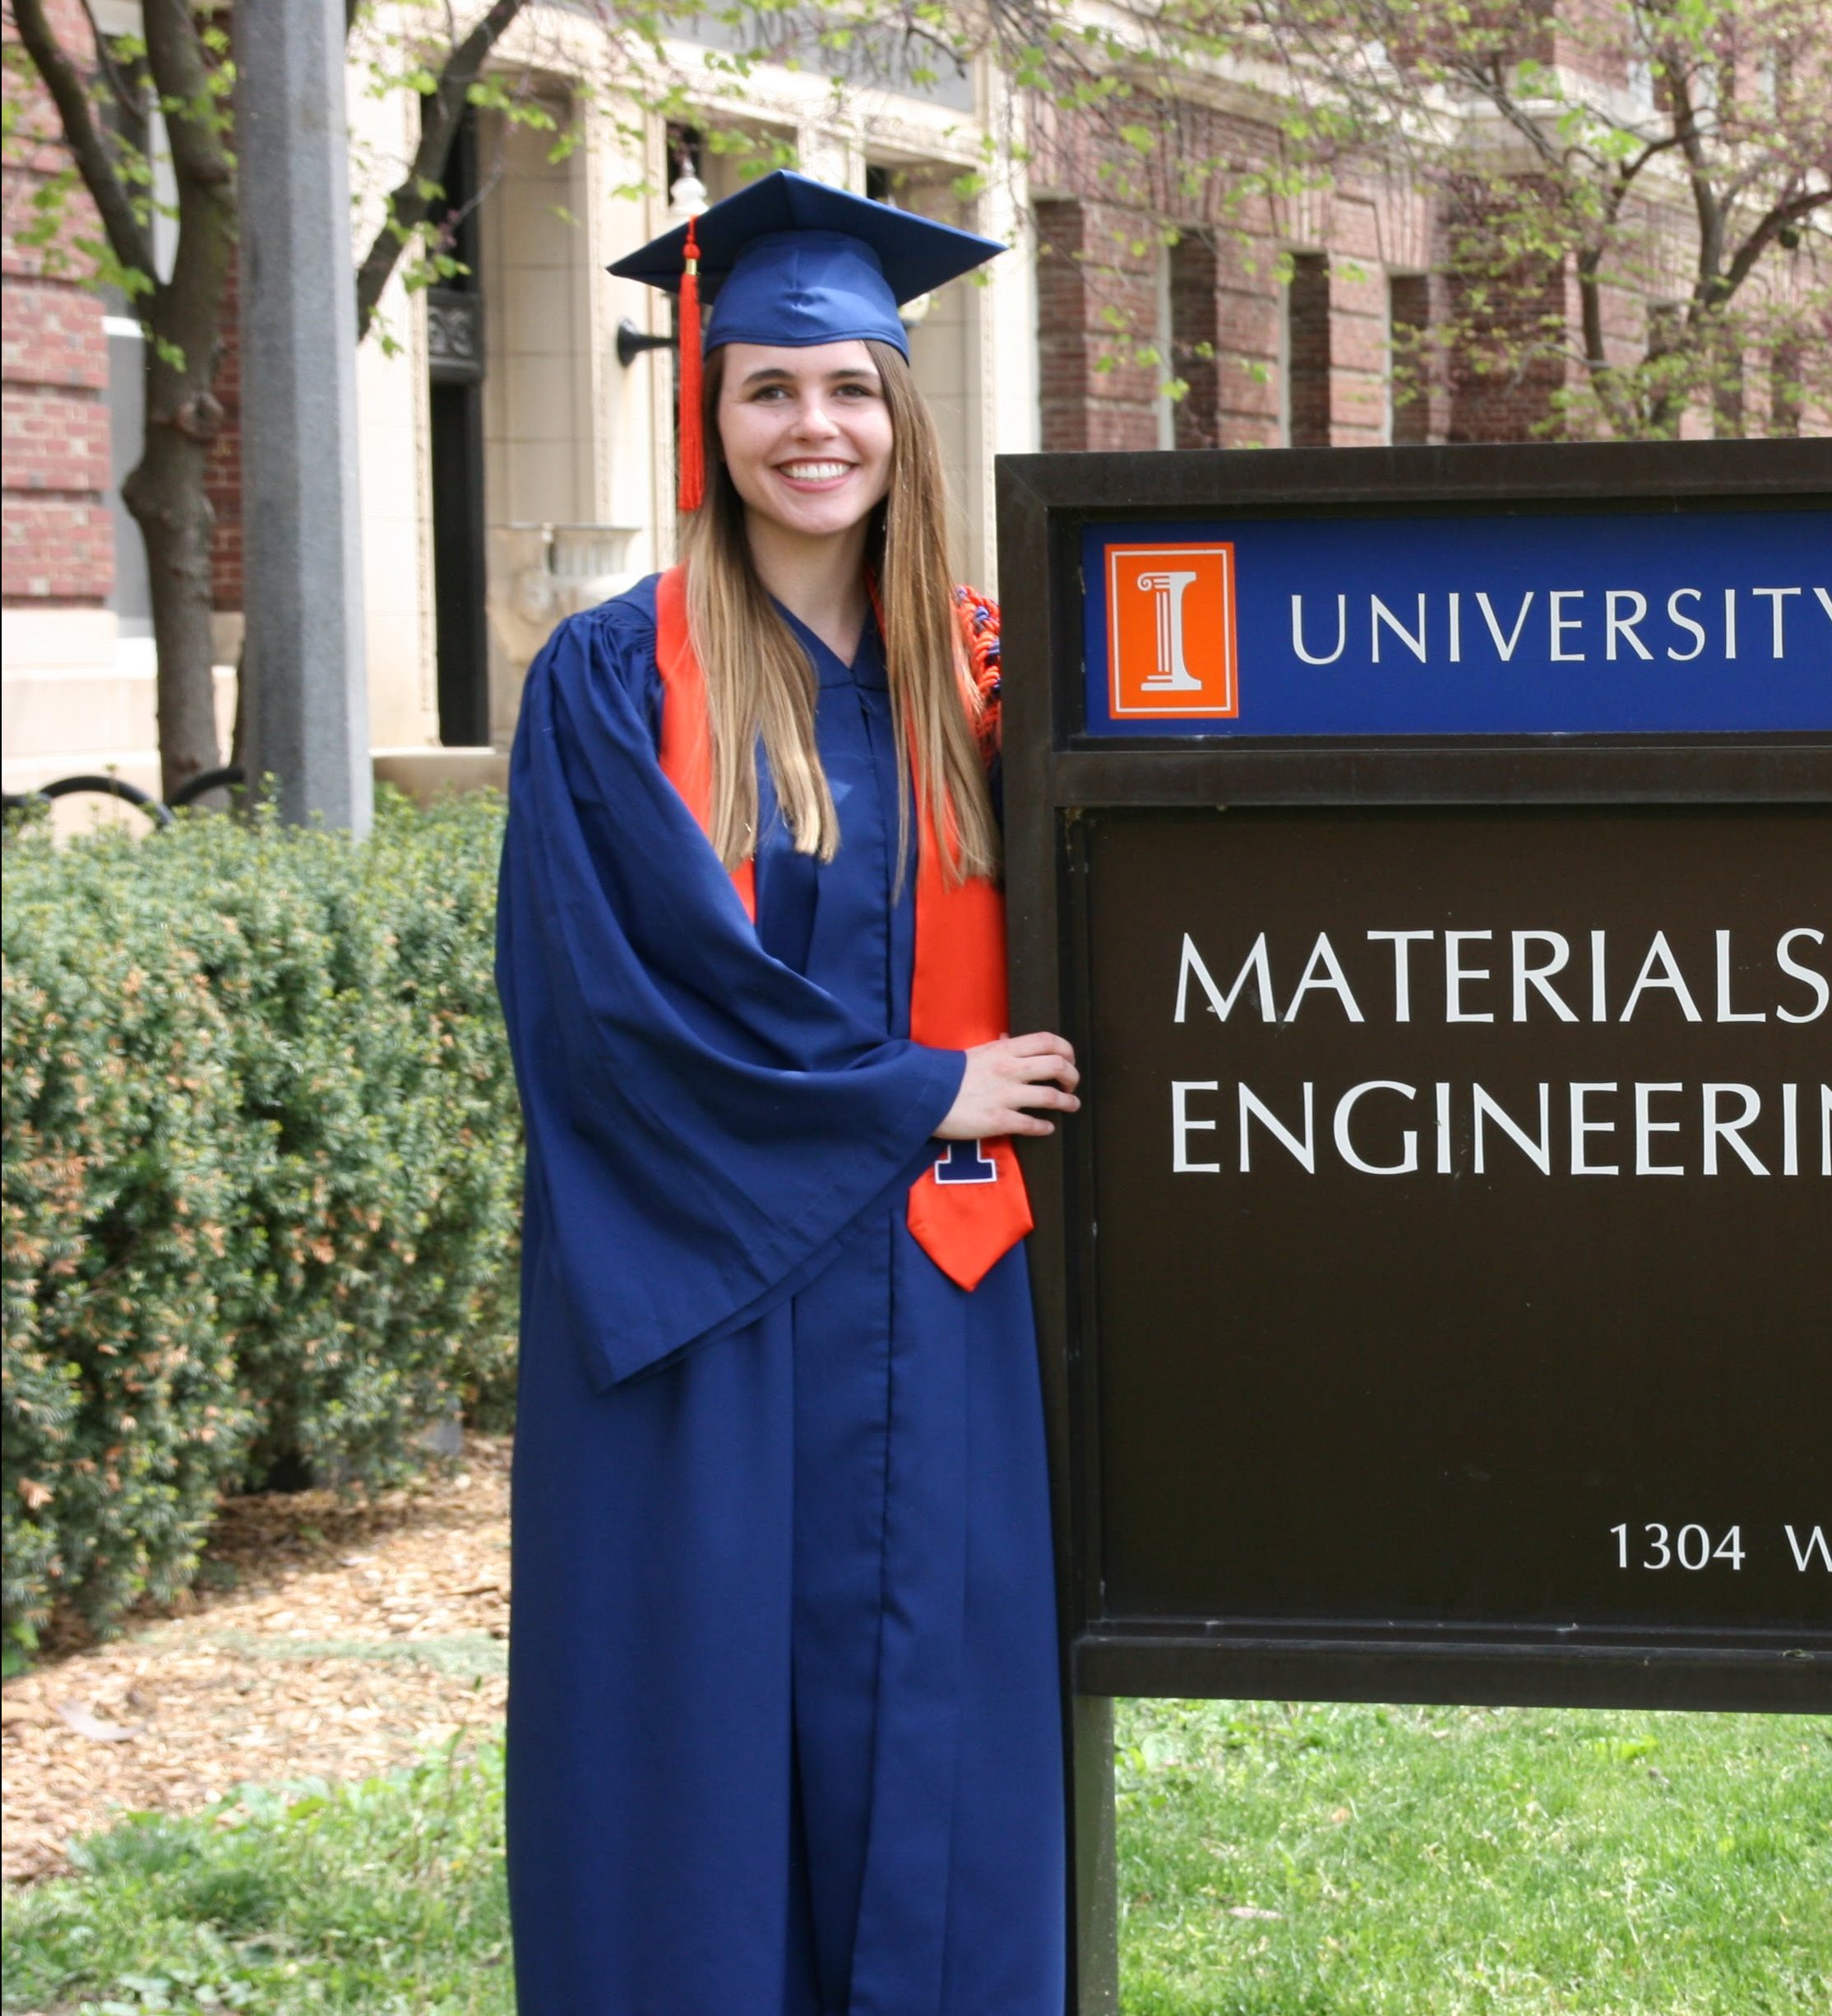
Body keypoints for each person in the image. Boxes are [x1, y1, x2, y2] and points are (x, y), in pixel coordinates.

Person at [496, 172, 1079, 2011]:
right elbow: (608, 1010)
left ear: (903, 408)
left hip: (951, 1285)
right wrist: (918, 1088)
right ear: (711, 410)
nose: (810, 429)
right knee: (696, 1747)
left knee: (946, 1749)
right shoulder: (615, 676)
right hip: (709, 1295)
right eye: (767, 389)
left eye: (846, 387)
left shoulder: (997, 676)